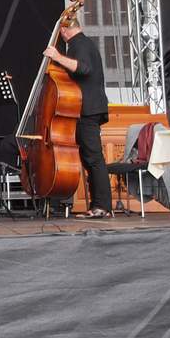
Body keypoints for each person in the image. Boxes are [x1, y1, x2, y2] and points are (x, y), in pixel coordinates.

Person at [43, 17, 112, 219]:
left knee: (94, 158)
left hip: (88, 109)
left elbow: (83, 68)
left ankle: (101, 206)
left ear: (64, 29)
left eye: (60, 31)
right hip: (85, 108)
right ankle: (99, 206)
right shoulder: (82, 43)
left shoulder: (79, 43)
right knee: (90, 159)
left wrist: (57, 56)